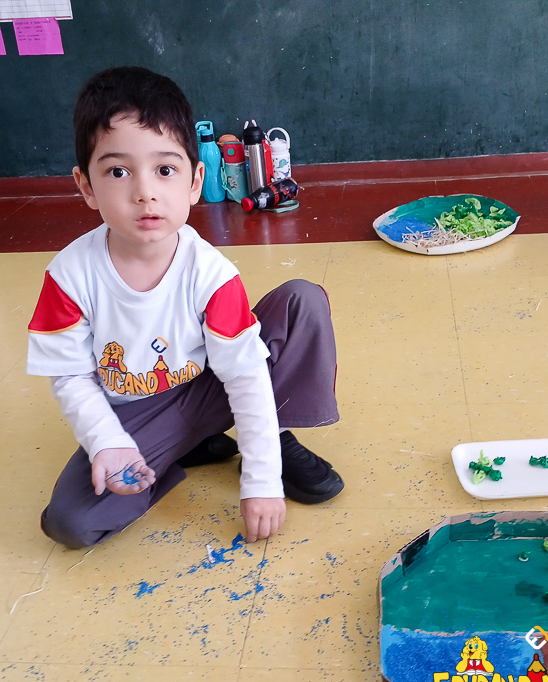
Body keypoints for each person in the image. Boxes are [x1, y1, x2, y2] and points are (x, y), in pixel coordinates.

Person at [26, 66, 343, 549]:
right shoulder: (68, 276)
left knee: (301, 301)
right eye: (117, 172)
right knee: (70, 523)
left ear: (195, 182)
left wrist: (261, 479)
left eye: (165, 170)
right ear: (86, 186)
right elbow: (71, 377)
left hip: (211, 386)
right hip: (138, 415)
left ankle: (275, 437)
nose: (145, 192)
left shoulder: (211, 273)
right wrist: (108, 442)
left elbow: (245, 375)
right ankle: (185, 444)